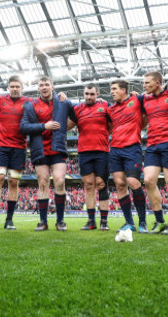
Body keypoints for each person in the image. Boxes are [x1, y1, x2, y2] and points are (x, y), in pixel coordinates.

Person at [20, 76, 73, 231]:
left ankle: (60, 221)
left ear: (52, 86)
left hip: (57, 148)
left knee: (59, 180)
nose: (44, 87)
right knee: (43, 183)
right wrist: (45, 126)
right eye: (41, 85)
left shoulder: (63, 101)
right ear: (38, 88)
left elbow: (77, 116)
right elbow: (23, 127)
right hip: (39, 149)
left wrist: (63, 130)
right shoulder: (31, 105)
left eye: (46, 84)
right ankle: (43, 221)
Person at [140, 72, 168, 235]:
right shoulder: (145, 99)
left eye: (147, 83)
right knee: (149, 180)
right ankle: (160, 221)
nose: (144, 85)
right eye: (144, 83)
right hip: (152, 144)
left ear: (158, 83)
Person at [0, 75, 30, 231]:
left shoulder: (28, 102)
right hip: (1, 145)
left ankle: (9, 220)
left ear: (22, 87)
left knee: (13, 182)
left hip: (19, 147)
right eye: (12, 86)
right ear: (8, 87)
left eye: (17, 86)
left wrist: (60, 96)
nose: (14, 89)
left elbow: (46, 106)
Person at [106, 80, 148, 233]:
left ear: (124, 90)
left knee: (133, 182)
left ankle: (143, 221)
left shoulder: (136, 100)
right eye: (111, 89)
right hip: (115, 149)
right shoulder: (110, 110)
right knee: (120, 184)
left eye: (115, 89)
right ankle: (129, 222)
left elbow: (149, 108)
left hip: (132, 148)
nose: (112, 92)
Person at [67, 83, 111, 231]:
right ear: (83, 94)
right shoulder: (77, 109)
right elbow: (67, 126)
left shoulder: (106, 107)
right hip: (84, 152)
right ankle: (91, 221)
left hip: (102, 151)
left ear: (97, 94)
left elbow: (111, 126)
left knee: (101, 184)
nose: (89, 97)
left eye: (92, 94)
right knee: (89, 185)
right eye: (86, 94)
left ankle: (104, 221)